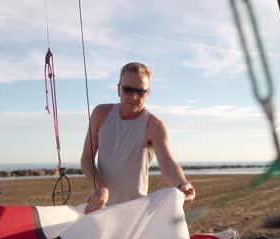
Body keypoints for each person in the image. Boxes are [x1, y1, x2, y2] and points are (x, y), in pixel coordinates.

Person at [81, 62, 195, 214]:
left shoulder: (154, 126)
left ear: (147, 94)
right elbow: (87, 159)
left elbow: (167, 163)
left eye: (140, 91)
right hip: (100, 209)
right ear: (118, 89)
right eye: (127, 89)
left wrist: (182, 184)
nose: (134, 96)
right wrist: (101, 187)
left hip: (135, 212)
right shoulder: (100, 114)